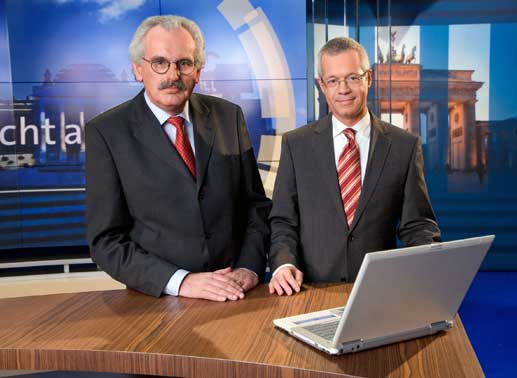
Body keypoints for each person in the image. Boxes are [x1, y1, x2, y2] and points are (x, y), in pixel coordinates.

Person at [86, 15, 270, 300]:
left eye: (184, 63)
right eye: (159, 62)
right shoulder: (107, 132)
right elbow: (106, 242)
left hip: (237, 293)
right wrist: (181, 282)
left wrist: (249, 267)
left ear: (197, 71)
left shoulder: (228, 116)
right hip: (158, 300)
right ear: (138, 69)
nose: (172, 75)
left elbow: (255, 207)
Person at [268, 37, 441, 296]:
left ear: (368, 79)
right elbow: (283, 221)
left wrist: (427, 263)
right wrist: (283, 264)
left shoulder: (404, 146)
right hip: (309, 290)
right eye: (333, 80)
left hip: (380, 291)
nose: (343, 89)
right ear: (322, 86)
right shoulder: (296, 145)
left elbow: (417, 225)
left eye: (352, 78)